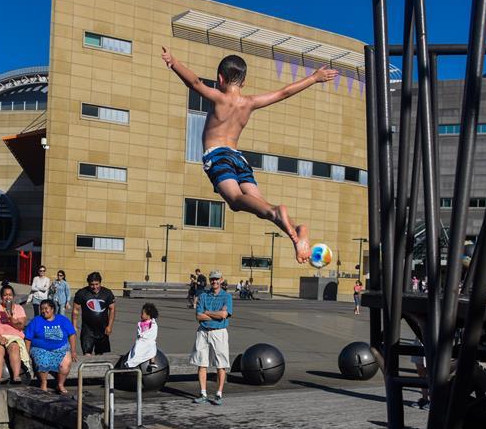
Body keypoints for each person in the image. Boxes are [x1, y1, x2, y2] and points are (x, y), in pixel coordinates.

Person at [162, 47, 338, 263]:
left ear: (220, 79)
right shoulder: (250, 103)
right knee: (259, 205)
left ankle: (277, 211)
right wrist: (313, 78)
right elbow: (284, 92)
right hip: (239, 158)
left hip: (218, 156)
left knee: (236, 201)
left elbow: (195, 83)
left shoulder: (218, 98)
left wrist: (174, 62)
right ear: (243, 83)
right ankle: (295, 228)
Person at [190, 271, 233, 406]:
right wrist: (216, 314)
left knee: (221, 364)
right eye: (212, 279)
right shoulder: (203, 296)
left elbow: (224, 315)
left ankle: (219, 394)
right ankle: (203, 393)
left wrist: (207, 313)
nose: (214, 281)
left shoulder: (227, 297)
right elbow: (198, 316)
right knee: (201, 363)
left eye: (216, 279)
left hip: (219, 333)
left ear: (221, 280)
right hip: (203, 332)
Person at [25, 299, 78, 394]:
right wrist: (26, 353)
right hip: (40, 349)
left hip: (60, 348)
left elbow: (72, 334)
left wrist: (73, 351)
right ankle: (43, 383)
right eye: (42, 309)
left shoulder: (62, 320)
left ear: (52, 309)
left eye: (46, 309)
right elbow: (28, 338)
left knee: (66, 363)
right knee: (43, 361)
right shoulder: (36, 321)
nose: (43, 311)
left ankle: (60, 384)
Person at [0, 284, 31, 384]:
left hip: (14, 337)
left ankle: (16, 376)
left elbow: (21, 326)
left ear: (13, 296)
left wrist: (11, 318)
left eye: (10, 295)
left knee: (14, 348)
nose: (8, 297)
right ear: (1, 297)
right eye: (5, 295)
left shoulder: (19, 308)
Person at [72, 272, 116, 355]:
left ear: (100, 283)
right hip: (87, 330)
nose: (95, 287)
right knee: (87, 354)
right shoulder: (81, 293)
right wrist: (74, 326)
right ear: (88, 283)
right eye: (92, 284)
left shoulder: (107, 293)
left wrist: (109, 326)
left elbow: (112, 309)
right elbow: (75, 310)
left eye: (97, 284)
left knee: (99, 355)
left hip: (102, 330)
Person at [125, 303, 159, 369]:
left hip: (148, 340)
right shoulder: (140, 323)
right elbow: (139, 331)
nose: (141, 315)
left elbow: (152, 331)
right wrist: (140, 335)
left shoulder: (152, 323)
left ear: (148, 315)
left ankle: (152, 362)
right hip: (142, 340)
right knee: (137, 347)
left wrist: (145, 335)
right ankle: (134, 361)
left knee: (152, 348)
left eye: (143, 313)